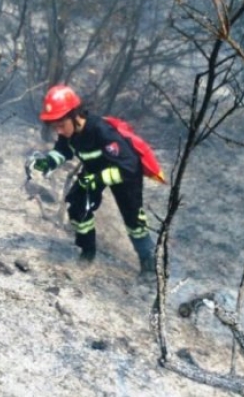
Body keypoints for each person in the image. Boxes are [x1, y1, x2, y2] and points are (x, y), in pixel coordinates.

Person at [30, 84, 155, 277]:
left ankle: (149, 263)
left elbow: (129, 166)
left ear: (74, 116)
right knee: (77, 206)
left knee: (133, 219)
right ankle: (87, 251)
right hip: (94, 171)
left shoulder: (101, 131)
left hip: (124, 174)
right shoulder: (69, 133)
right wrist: (48, 162)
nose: (59, 131)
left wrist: (98, 178)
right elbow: (62, 150)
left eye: (61, 125)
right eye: (55, 127)